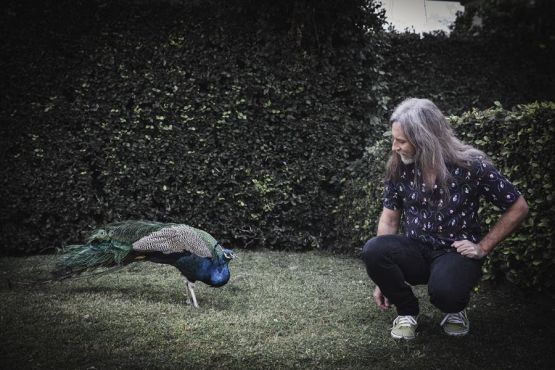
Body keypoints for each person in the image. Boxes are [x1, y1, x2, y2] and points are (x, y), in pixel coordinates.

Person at [361, 98, 529, 340]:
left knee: (446, 294)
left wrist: (482, 247)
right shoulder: (399, 167)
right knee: (373, 250)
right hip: (416, 250)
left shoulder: (471, 166)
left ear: (425, 140)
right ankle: (406, 312)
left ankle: (454, 310)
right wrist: (383, 281)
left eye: (400, 141)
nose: (394, 147)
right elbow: (389, 218)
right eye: (393, 139)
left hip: (455, 252)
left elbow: (518, 207)